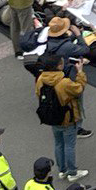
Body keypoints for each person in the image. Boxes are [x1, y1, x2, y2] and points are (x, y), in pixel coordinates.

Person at [35, 51, 88, 181]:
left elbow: (38, 93)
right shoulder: (63, 82)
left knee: (59, 144)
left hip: (52, 117)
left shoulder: (41, 79)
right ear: (58, 66)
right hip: (67, 117)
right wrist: (80, 72)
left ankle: (62, 170)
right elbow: (79, 88)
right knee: (69, 145)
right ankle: (72, 172)